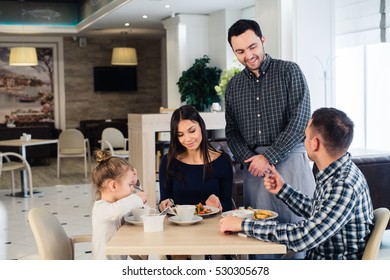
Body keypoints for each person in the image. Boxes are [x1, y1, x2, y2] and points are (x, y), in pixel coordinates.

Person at [219, 107, 374, 260]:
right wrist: (283, 189)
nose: (303, 141)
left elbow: (303, 236)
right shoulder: (338, 172)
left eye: (305, 137)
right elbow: (319, 212)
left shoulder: (343, 185)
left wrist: (243, 225)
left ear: (315, 143)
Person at [224, 19, 316, 258]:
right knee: (259, 236)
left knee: (297, 229)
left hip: (290, 160)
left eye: (253, 47)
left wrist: (269, 157)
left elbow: (300, 121)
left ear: (262, 40)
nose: (249, 55)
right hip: (254, 168)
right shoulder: (233, 86)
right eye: (240, 51)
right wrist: (250, 158)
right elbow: (231, 132)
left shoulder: (290, 72)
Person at [158, 104, 233, 213]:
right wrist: (165, 204)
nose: (187, 139)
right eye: (180, 135)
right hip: (179, 227)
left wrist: (219, 205)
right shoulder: (168, 161)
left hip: (212, 226)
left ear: (201, 127)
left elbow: (228, 205)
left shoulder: (222, 161)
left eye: (192, 131)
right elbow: (164, 202)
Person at [91, 149, 148, 260]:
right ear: (113, 186)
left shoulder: (119, 203)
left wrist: (135, 183)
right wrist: (137, 197)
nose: (132, 189)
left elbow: (129, 204)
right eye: (130, 185)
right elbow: (119, 209)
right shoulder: (101, 209)